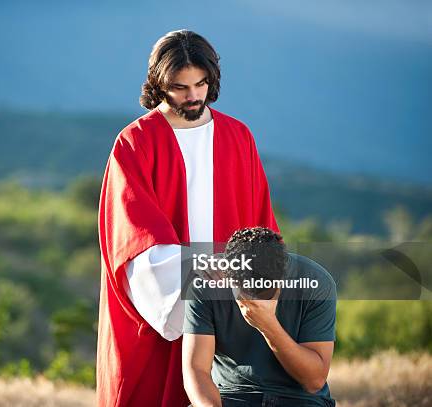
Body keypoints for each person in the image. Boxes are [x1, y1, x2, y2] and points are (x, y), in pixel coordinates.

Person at [96, 30, 279, 406]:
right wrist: (202, 273)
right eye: (180, 87)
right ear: (159, 84)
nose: (193, 96)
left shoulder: (237, 136)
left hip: (232, 312)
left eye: (201, 84)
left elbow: (262, 225)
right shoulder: (135, 143)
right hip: (159, 318)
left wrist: (257, 283)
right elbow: (133, 241)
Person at [182, 227, 337, 407]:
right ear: (229, 278)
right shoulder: (206, 286)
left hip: (301, 400)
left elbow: (314, 382)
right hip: (232, 396)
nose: (256, 303)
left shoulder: (316, 283)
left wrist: (268, 325)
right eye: (247, 295)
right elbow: (196, 370)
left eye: (266, 293)